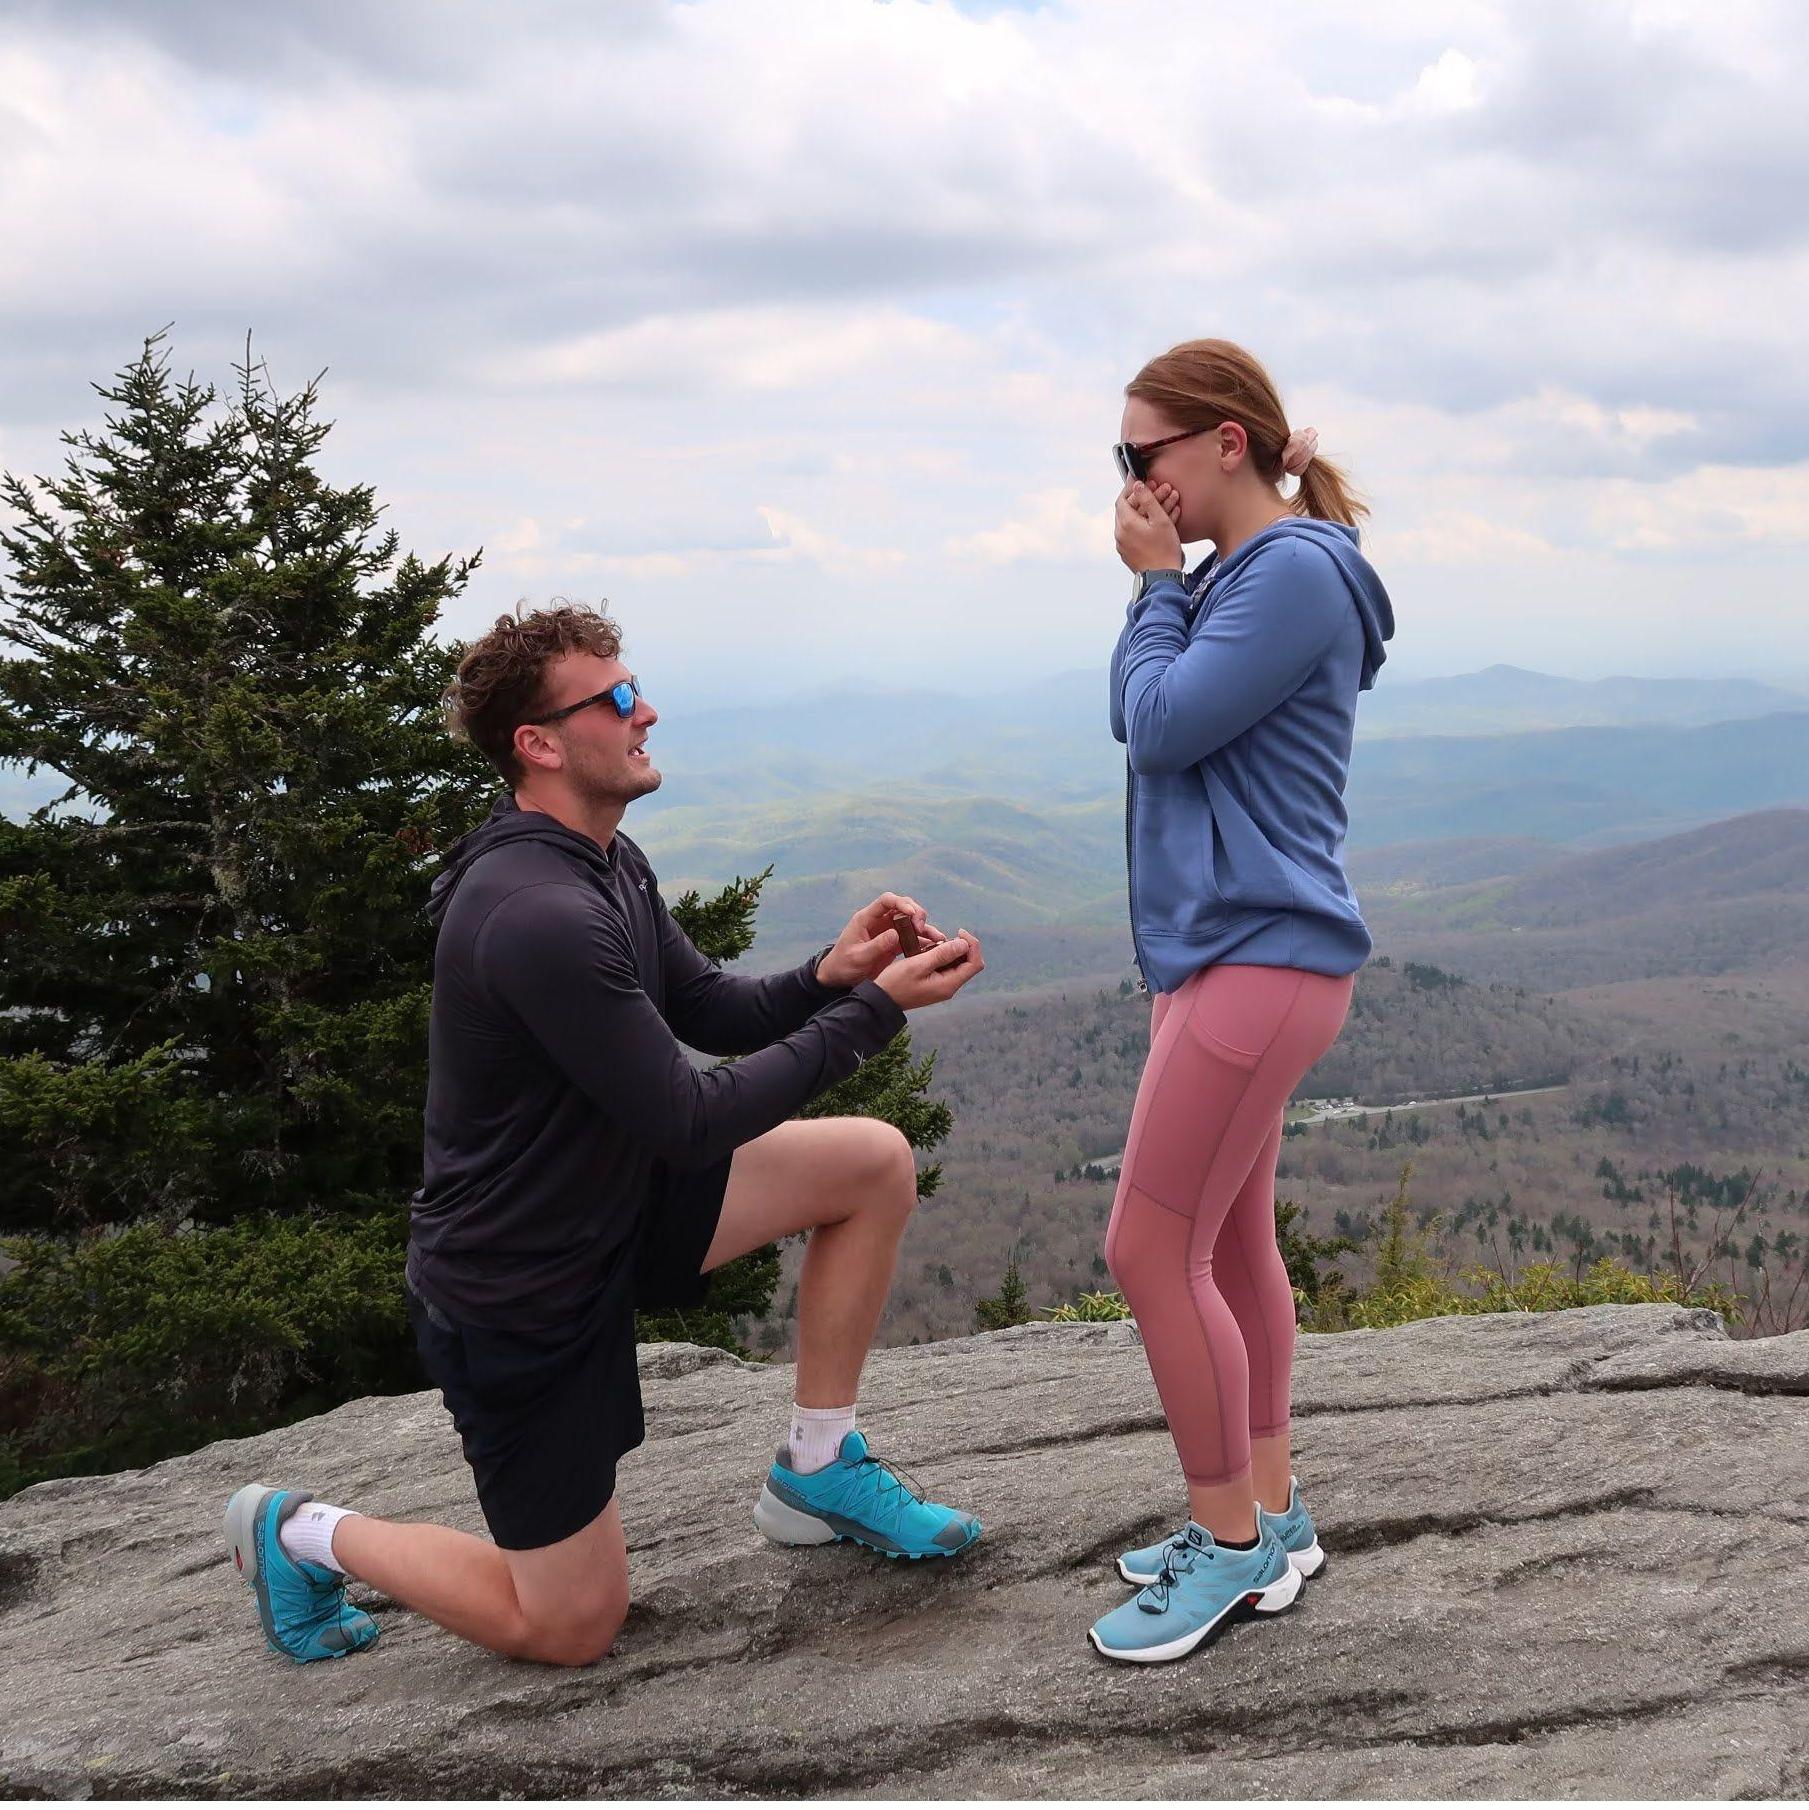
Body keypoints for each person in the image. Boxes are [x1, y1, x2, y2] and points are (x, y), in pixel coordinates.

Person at [222, 603, 986, 1667]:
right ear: (538, 744)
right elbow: (687, 1118)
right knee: (571, 1624)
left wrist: (832, 974)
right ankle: (298, 1532)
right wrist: (878, 1012)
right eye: (618, 698)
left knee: (871, 1163)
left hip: (612, 1206)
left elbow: (707, 1007)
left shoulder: (601, 862)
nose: (648, 710)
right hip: (521, 1287)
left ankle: (816, 1472)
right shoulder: (535, 909)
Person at [1088, 339, 1394, 1664]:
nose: (1129, 482)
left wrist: (1155, 584)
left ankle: (1227, 1548)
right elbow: (1136, 705)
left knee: (1148, 1250)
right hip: (1224, 954)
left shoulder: (1289, 576)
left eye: (1138, 453)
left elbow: (1159, 727)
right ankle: (1269, 1510)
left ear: (1222, 440)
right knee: (1226, 1244)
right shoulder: (1230, 579)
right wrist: (1159, 590)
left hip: (1258, 955)